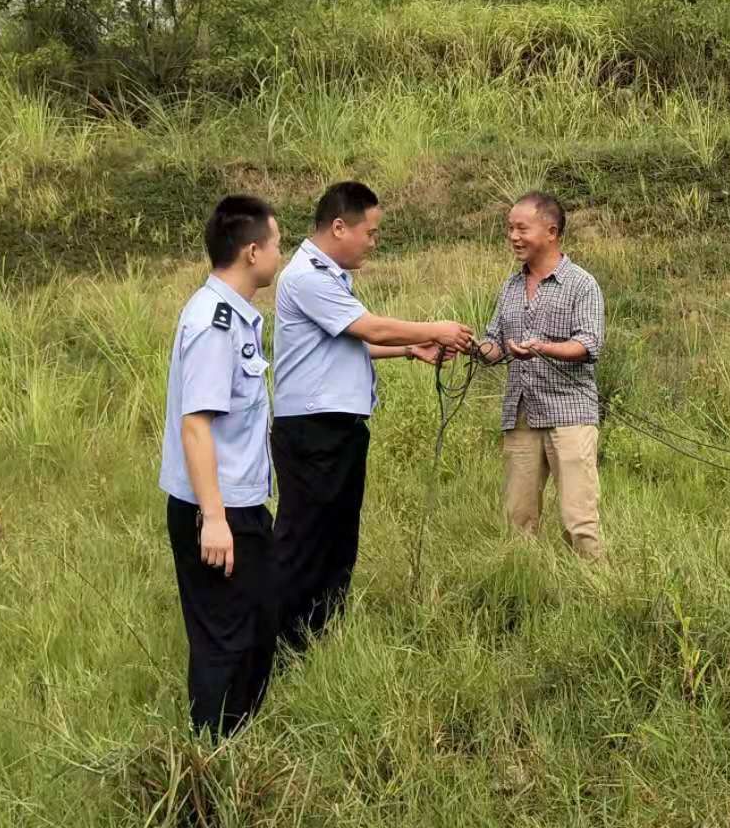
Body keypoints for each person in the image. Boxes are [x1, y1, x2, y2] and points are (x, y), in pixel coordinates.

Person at [268, 181, 473, 658]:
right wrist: (436, 329)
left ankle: (319, 640)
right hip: (313, 431)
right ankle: (279, 645)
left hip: (337, 429)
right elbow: (368, 326)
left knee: (338, 541)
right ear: (339, 227)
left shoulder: (332, 277)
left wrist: (408, 348)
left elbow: (350, 343)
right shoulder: (308, 276)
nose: (374, 243)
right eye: (371, 233)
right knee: (304, 544)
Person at [158, 194, 282, 737]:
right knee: (223, 642)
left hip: (240, 506)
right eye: (278, 244)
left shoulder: (236, 318)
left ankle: (238, 747)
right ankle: (210, 760)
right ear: (253, 251)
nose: (282, 254)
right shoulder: (213, 322)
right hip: (218, 513)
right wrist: (214, 519)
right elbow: (196, 425)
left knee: (255, 629)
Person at [475, 192, 607, 561]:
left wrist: (542, 347)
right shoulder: (511, 286)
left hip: (571, 413)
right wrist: (473, 347)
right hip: (521, 414)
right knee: (518, 516)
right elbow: (496, 343)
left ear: (551, 232)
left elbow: (589, 343)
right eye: (509, 229)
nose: (513, 237)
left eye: (521, 228)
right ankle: (526, 586)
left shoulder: (582, 285)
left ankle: (597, 590)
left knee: (579, 519)